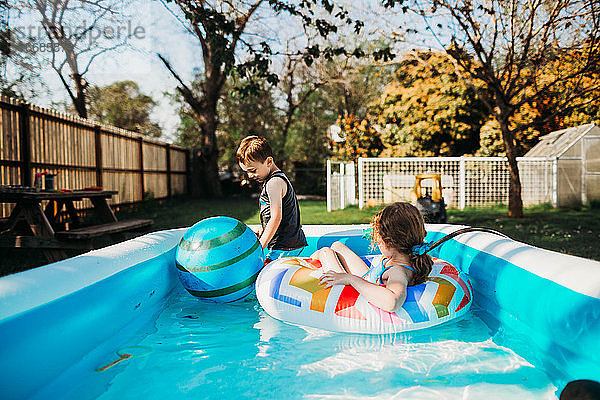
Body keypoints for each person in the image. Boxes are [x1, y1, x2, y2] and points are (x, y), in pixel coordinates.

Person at [312, 202, 433, 313]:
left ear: (389, 242)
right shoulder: (406, 257)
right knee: (337, 246)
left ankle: (307, 263)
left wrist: (350, 279)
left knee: (325, 252)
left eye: (378, 238)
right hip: (368, 279)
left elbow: (392, 303)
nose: (376, 241)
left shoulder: (398, 271)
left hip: (355, 292)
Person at [236, 136, 307, 263]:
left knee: (259, 276)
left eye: (253, 170)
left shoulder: (274, 182)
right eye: (247, 172)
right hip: (287, 245)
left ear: (269, 162)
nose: (250, 176)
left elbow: (276, 218)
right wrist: (263, 231)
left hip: (285, 248)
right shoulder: (275, 180)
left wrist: (259, 247)